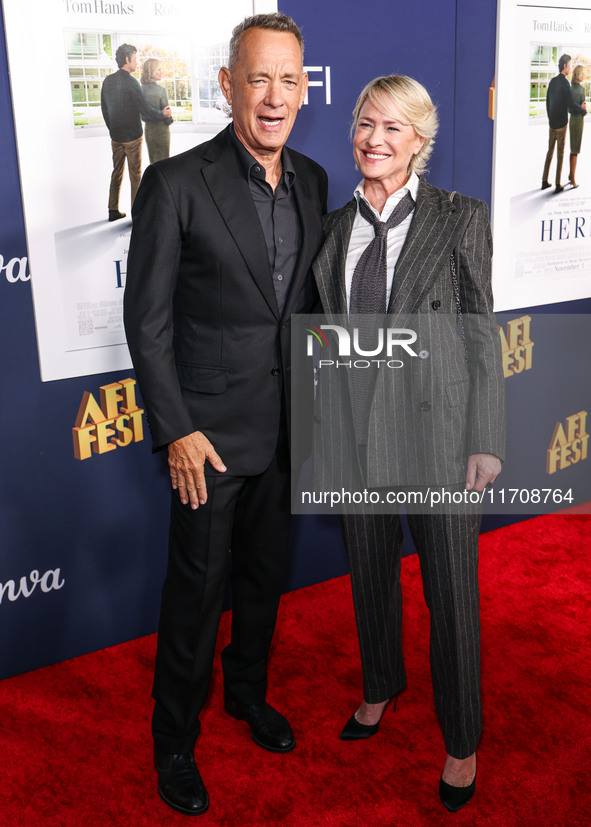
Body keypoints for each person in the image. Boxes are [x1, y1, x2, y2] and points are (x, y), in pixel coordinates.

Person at [123, 13, 327, 817]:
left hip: (286, 431)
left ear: (304, 89)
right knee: (195, 595)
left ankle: (245, 693)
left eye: (290, 80)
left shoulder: (312, 179)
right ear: (227, 86)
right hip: (205, 439)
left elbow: (310, 306)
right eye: (258, 78)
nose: (274, 96)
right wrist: (175, 427)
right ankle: (173, 738)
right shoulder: (175, 183)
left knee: (264, 580)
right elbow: (148, 321)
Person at [312, 75, 505, 812]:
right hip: (356, 435)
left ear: (419, 143)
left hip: (437, 432)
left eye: (392, 128)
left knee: (450, 592)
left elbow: (479, 334)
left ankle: (460, 739)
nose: (373, 139)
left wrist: (483, 435)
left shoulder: (461, 217)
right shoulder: (333, 228)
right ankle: (379, 686)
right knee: (368, 572)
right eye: (365, 122)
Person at [101, 44, 172, 221]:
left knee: (116, 172)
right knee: (135, 176)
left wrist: (112, 129)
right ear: (127, 59)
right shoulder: (132, 82)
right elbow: (145, 110)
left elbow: (104, 109)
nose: (136, 61)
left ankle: (113, 210)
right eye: (135, 58)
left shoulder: (108, 81)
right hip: (133, 138)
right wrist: (162, 114)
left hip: (116, 137)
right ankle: (137, 214)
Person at [541, 53, 586, 193]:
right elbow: (570, 104)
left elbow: (548, 102)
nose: (570, 68)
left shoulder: (553, 81)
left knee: (550, 152)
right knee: (560, 154)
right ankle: (558, 183)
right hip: (561, 124)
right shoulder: (565, 83)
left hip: (552, 123)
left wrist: (550, 119)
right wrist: (581, 108)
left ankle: (544, 180)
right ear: (565, 66)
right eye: (570, 65)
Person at [141, 58, 173, 164]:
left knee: (153, 162)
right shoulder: (161, 90)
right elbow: (167, 116)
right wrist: (169, 117)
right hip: (162, 130)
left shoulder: (140, 90)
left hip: (149, 131)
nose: (161, 72)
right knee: (164, 163)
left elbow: (143, 113)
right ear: (152, 71)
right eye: (159, 69)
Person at [569, 64, 586, 188]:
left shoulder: (569, 89)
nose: (584, 75)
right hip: (579, 121)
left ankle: (571, 174)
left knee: (573, 149)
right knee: (575, 151)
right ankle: (573, 180)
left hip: (572, 120)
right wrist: (583, 109)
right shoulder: (581, 89)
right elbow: (583, 109)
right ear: (578, 75)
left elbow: (569, 107)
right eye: (583, 73)